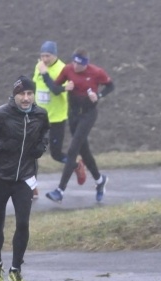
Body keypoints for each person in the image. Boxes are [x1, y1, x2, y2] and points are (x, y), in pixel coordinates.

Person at [0, 76, 49, 281]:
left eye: (29, 94)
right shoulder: (1, 114)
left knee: (23, 224)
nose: (26, 98)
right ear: (14, 95)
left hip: (24, 179)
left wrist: (41, 146)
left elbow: (45, 131)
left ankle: (16, 270)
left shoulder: (40, 114)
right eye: (21, 94)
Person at [39, 48, 113, 203]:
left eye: (79, 64)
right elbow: (55, 89)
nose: (75, 66)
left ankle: (60, 191)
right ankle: (100, 181)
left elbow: (111, 86)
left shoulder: (96, 72)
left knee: (73, 149)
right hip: (73, 115)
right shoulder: (68, 70)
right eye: (74, 62)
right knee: (84, 151)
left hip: (88, 114)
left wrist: (98, 96)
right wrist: (58, 83)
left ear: (86, 64)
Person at [33, 40, 87, 201]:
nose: (44, 58)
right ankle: (31, 187)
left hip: (56, 118)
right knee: (31, 152)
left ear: (55, 55)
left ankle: (77, 164)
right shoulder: (39, 66)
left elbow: (56, 90)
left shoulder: (63, 69)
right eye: (42, 55)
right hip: (39, 118)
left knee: (56, 155)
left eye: (47, 55)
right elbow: (35, 86)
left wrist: (44, 73)